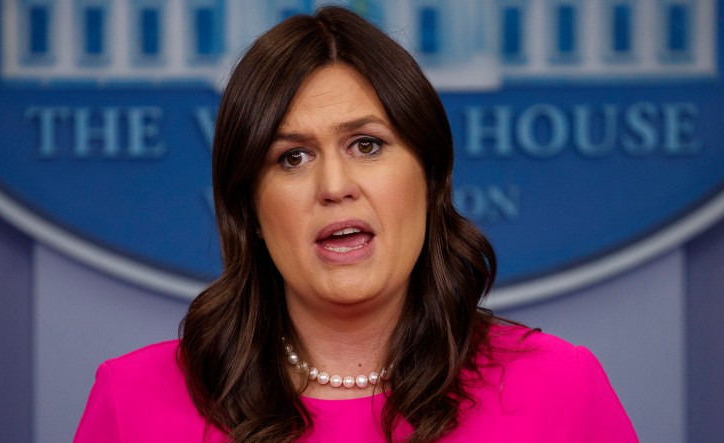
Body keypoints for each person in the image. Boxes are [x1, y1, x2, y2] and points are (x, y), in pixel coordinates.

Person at [75, 6, 638, 442]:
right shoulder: (132, 400)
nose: (334, 185)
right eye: (291, 157)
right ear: (250, 210)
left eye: (367, 144)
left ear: (430, 178)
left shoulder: (563, 387)